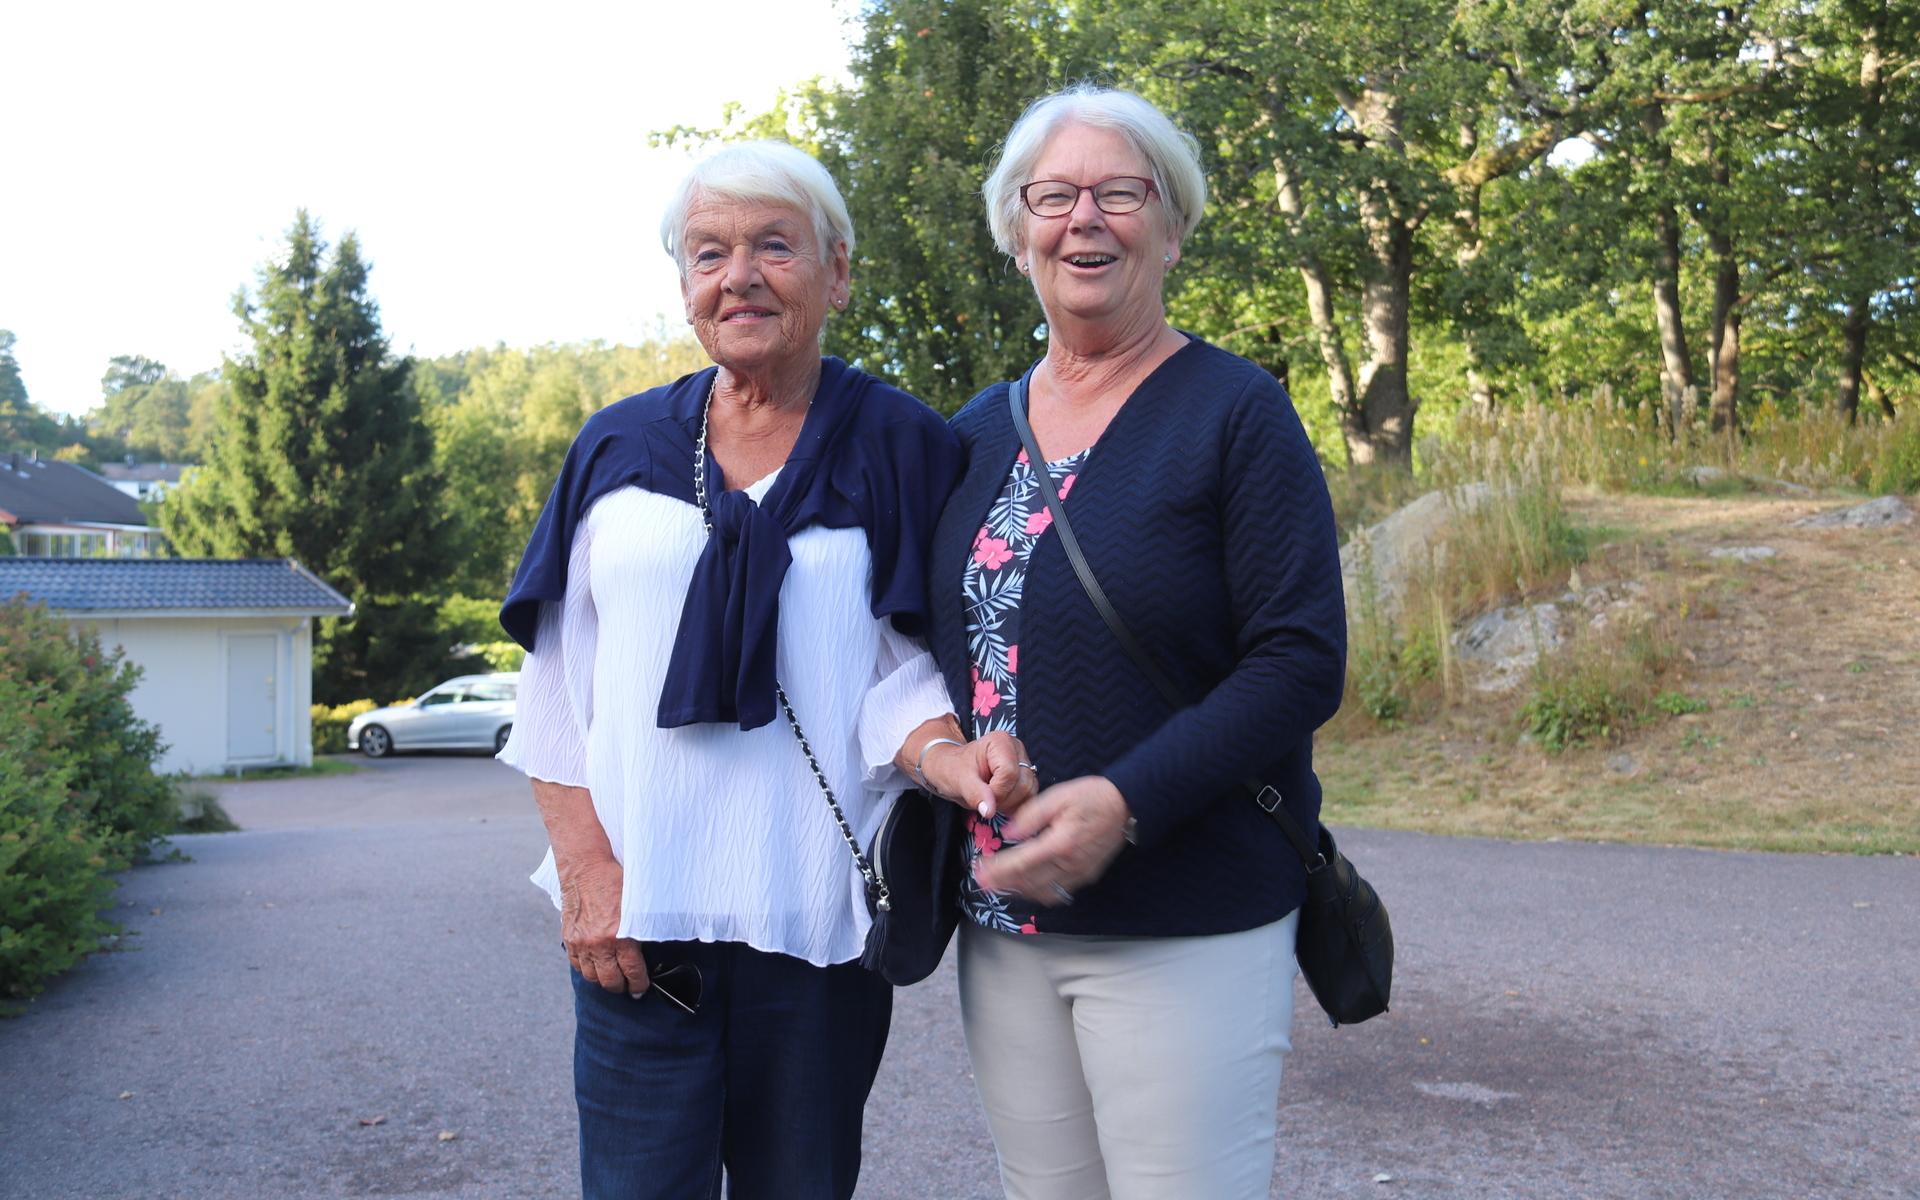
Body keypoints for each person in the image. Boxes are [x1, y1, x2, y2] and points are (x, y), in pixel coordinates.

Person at [497, 140, 1033, 1200]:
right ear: (685, 285)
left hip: (816, 933)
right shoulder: (615, 446)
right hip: (635, 928)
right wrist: (587, 872)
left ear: (835, 272)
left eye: (772, 246)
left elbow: (908, 670)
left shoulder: (904, 445)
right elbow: (554, 683)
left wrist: (950, 762)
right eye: (708, 253)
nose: (737, 275)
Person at [924, 86, 1348, 1198]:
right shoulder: (969, 435)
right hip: (1003, 923)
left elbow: (1300, 660)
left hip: (1186, 920)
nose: (1085, 220)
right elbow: (934, 656)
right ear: (1019, 232)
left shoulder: (1236, 411)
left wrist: (1126, 799)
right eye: (1054, 196)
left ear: (1172, 224)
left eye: (1122, 193)